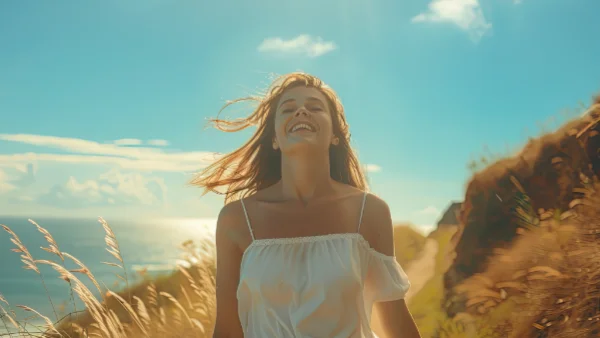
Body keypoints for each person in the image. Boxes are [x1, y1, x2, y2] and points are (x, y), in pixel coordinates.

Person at [192, 72, 421, 338]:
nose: (301, 111)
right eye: (288, 109)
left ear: (335, 135)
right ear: (275, 139)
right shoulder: (236, 218)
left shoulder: (369, 211)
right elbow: (228, 330)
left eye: (315, 107)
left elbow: (395, 320)